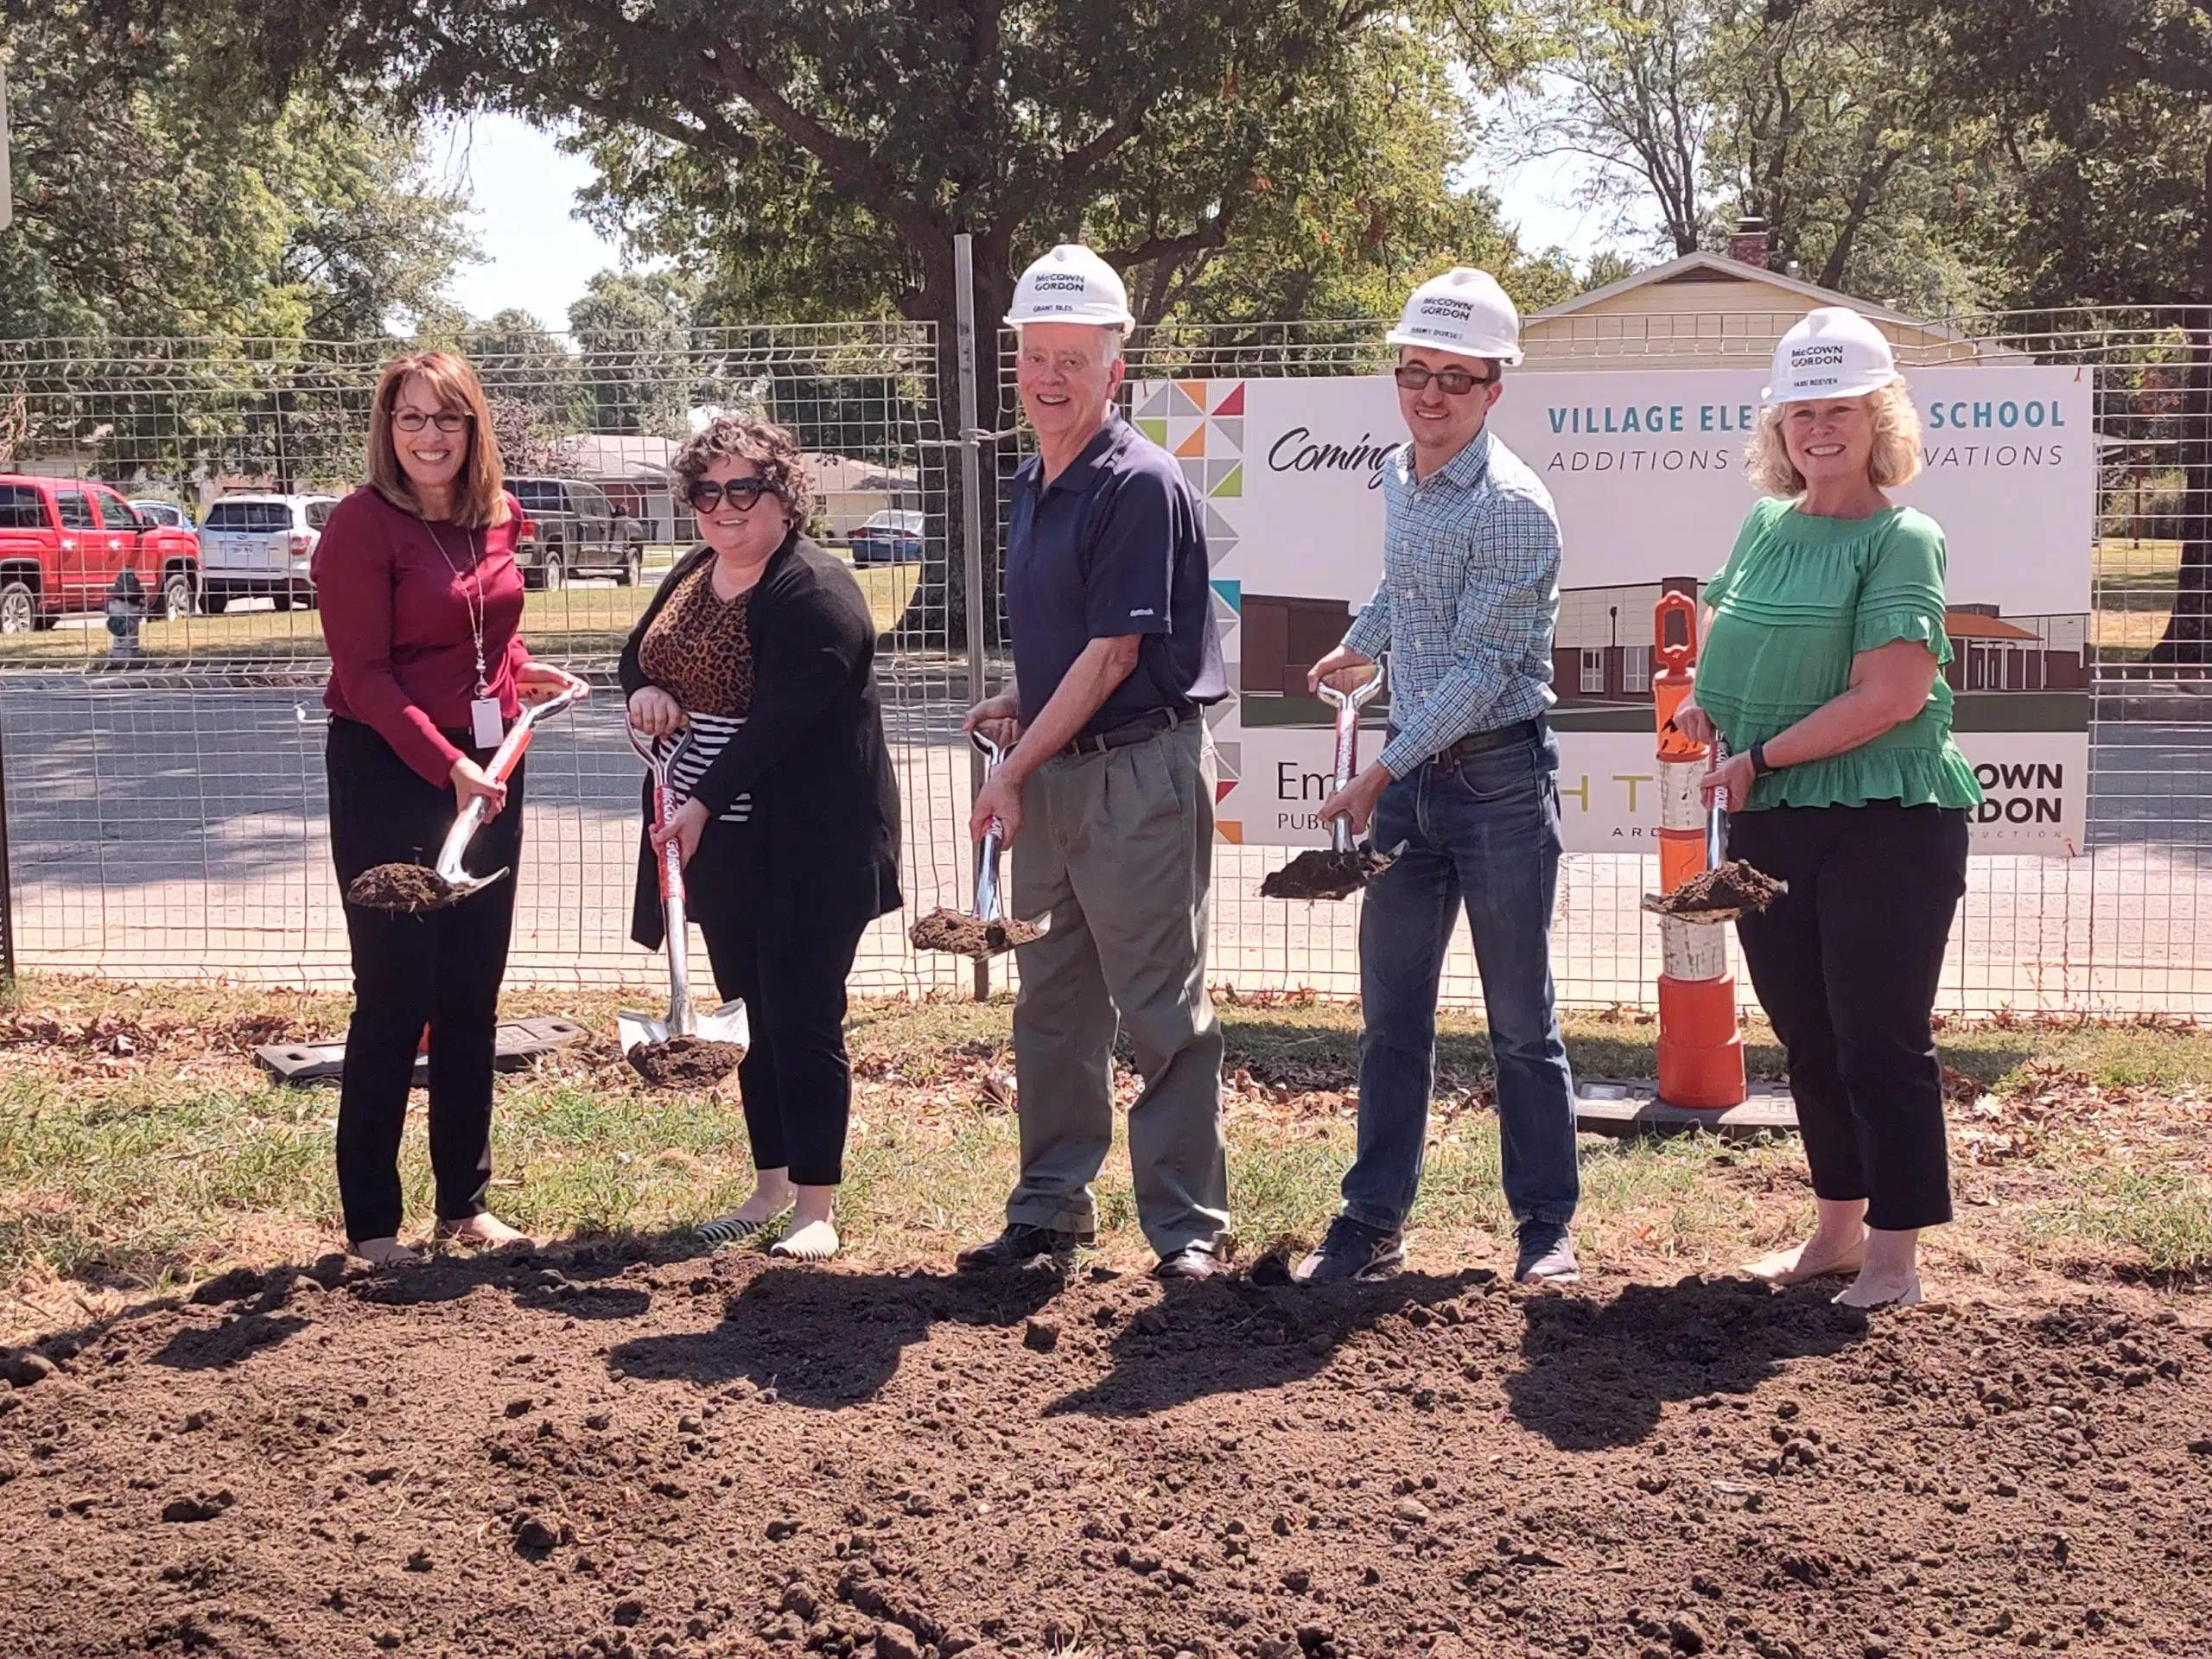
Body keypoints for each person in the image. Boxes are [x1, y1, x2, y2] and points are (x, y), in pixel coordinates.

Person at [1673, 308, 1982, 1309]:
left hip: (1885, 815)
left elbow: (1889, 695)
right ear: (1777, 428)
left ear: (1877, 418)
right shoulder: (1766, 523)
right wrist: (1707, 701)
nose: (1817, 429)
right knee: (1807, 1030)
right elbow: (1727, 620)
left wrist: (1757, 751)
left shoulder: (1904, 537)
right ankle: (1836, 1235)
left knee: (1876, 1032)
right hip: (1772, 814)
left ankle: (1894, 1258)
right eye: (1799, 411)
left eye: (1838, 409)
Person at [1298, 268, 1581, 1287]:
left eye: (1454, 379)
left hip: (1496, 780)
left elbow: (1481, 670)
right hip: (1413, 781)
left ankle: (1546, 1229)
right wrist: (1360, 642)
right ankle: (1370, 1225)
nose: (1428, 394)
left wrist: (1380, 772)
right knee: (1391, 1020)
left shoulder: (1515, 509)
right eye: (1414, 371)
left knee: (1519, 1023)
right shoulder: (1399, 473)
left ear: (1494, 386)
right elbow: (1405, 585)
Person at [957, 245, 1230, 1281]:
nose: (1050, 376)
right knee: (1052, 1002)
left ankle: (1186, 1231)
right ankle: (1049, 1208)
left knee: (1162, 1009)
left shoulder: (1138, 483)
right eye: (1035, 355)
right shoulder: (1036, 477)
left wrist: (1010, 768)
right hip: (1061, 764)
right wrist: (1022, 711)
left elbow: (1119, 654)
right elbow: (1080, 647)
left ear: (1116, 370)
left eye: (1074, 358)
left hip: (1132, 778)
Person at [315, 350, 589, 1268]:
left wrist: (517, 675)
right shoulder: (359, 527)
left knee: (471, 992)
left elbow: (485, 630)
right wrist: (447, 766)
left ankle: (464, 1206)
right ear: (387, 431)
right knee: (394, 995)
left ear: (475, 429)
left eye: (448, 419)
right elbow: (366, 674)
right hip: (390, 772)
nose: (430, 437)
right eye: (412, 419)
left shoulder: (499, 516)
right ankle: (372, 1226)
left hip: (491, 762)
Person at [620, 413, 901, 1264]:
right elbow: (636, 653)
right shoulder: (698, 569)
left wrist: (700, 801)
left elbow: (778, 724)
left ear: (785, 496)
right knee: (748, 1016)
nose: (723, 507)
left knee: (803, 1016)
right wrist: (643, 694)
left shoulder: (815, 592)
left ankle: (816, 1207)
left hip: (808, 845)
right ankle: (768, 1186)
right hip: (724, 847)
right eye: (706, 492)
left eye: (744, 488)